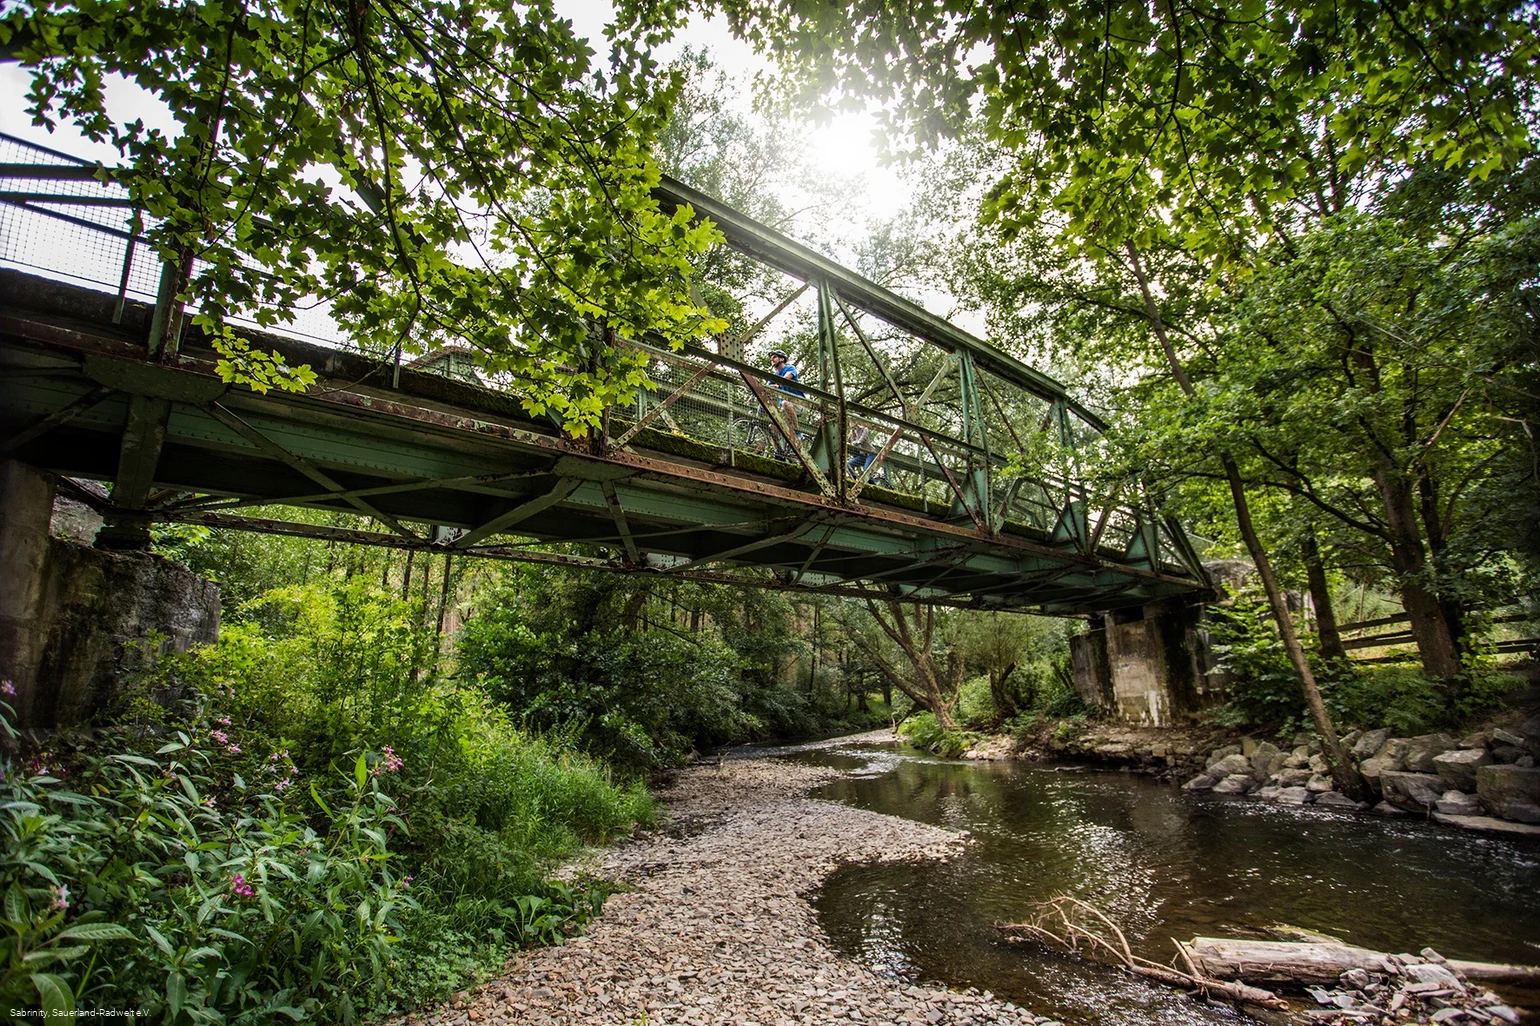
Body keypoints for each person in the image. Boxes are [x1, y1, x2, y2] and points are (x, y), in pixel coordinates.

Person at [767, 349, 803, 442]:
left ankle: (798, 432)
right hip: (785, 407)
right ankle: (779, 451)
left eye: (774, 357)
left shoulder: (790, 368)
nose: (772, 359)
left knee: (785, 403)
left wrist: (777, 385)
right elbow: (765, 387)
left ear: (782, 359)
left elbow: (787, 377)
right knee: (772, 427)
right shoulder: (774, 376)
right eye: (771, 358)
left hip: (799, 403)